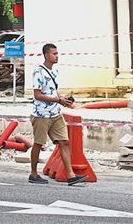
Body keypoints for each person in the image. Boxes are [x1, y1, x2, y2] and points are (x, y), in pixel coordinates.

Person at [29, 42, 87, 186]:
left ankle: (70, 175)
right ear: (46, 55)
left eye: (57, 53)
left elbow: (52, 91)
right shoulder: (38, 72)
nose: (56, 56)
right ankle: (33, 173)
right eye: (54, 54)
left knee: (64, 142)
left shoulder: (55, 72)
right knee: (38, 143)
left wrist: (62, 99)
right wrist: (58, 99)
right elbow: (38, 95)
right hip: (41, 114)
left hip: (55, 112)